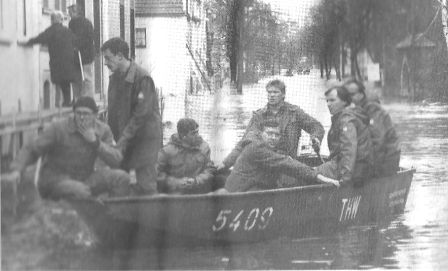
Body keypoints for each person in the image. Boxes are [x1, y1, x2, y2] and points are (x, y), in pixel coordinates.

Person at [9, 97, 130, 200]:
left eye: (86, 114)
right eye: (78, 113)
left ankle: (114, 218)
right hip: (55, 180)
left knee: (121, 178)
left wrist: (96, 143)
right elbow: (32, 148)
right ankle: (78, 221)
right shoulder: (59, 128)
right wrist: (17, 169)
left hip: (85, 178)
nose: (82, 118)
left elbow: (116, 160)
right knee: (80, 191)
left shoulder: (102, 130)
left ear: (95, 115)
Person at [101, 37, 162, 195]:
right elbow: (113, 114)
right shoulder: (114, 79)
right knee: (122, 182)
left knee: (146, 185)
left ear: (120, 56)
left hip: (145, 141)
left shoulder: (143, 78)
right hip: (125, 141)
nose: (105, 63)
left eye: (108, 58)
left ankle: (151, 215)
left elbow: (140, 116)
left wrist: (121, 142)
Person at [218, 79, 325, 169]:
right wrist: (226, 163)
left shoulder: (294, 113)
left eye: (275, 92)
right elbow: (245, 142)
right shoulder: (259, 116)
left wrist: (315, 139)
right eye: (269, 92)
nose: (271, 95)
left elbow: (316, 127)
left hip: (288, 164)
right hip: (265, 165)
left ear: (283, 94)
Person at [225, 121, 339, 193]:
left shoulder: (264, 148)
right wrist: (319, 177)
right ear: (261, 134)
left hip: (246, 188)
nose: (273, 138)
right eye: (269, 134)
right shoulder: (257, 148)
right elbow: (285, 164)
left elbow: (285, 162)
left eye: (276, 135)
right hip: (240, 192)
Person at [315, 86, 373, 186]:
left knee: (308, 174)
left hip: (350, 168)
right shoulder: (344, 117)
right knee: (310, 172)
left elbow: (349, 150)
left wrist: (345, 179)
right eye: (327, 101)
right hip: (352, 165)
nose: (328, 104)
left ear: (344, 101)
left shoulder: (346, 120)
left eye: (332, 100)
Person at [344, 79, 400, 177]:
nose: (349, 98)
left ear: (361, 94)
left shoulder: (373, 109)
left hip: (386, 161)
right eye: (346, 95)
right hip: (377, 158)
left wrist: (367, 169)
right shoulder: (356, 109)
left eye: (352, 94)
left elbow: (378, 141)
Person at [26, 11, 78, 107]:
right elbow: (75, 41)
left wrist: (29, 42)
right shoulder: (67, 31)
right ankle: (67, 102)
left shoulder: (52, 30)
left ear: (53, 20)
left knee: (60, 81)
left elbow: (41, 38)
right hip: (68, 61)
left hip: (57, 61)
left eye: (51, 19)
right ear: (61, 20)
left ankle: (62, 104)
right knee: (65, 82)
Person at [157, 118, 216, 194]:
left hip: (198, 190)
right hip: (175, 193)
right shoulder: (167, 151)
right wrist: (176, 182)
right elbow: (155, 173)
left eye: (197, 132)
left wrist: (196, 180)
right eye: (193, 133)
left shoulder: (204, 147)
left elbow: (210, 170)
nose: (197, 135)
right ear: (183, 135)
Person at [68, 3, 95, 98]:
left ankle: (80, 99)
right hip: (84, 55)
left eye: (70, 12)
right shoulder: (87, 22)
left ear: (75, 12)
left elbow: (76, 38)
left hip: (81, 55)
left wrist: (76, 45)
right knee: (86, 79)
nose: (69, 15)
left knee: (82, 78)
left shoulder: (73, 23)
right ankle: (88, 99)